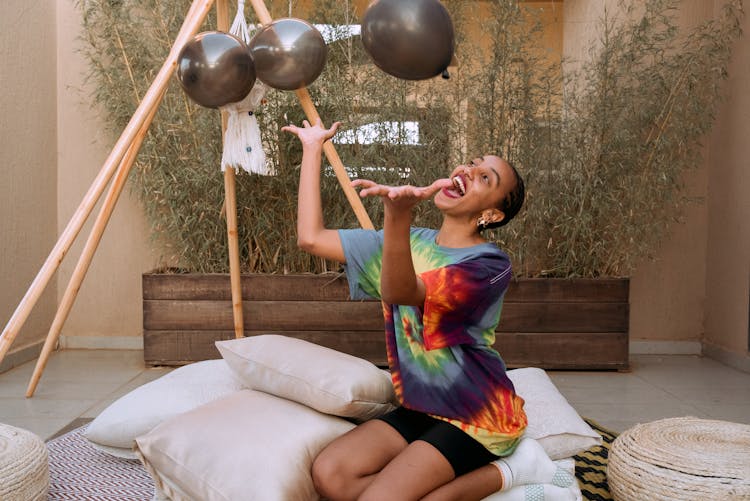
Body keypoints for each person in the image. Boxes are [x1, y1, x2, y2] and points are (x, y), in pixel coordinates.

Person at [282, 119, 567, 501]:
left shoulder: (489, 265)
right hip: (421, 406)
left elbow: (399, 290)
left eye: (486, 178)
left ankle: (511, 470)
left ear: (493, 214)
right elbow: (311, 238)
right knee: (332, 475)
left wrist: (398, 215)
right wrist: (313, 147)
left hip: (477, 415)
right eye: (471, 162)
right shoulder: (409, 242)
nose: (469, 170)